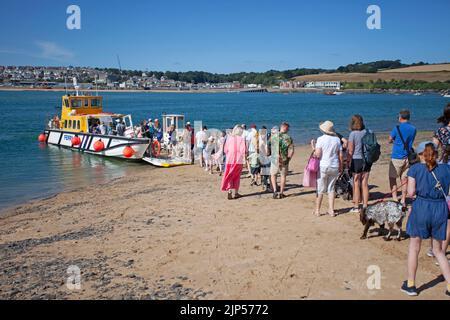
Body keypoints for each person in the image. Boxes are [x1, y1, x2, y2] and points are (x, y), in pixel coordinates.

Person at [401, 142, 450, 297]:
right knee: (438, 250)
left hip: (422, 207)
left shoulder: (414, 169)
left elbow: (410, 193)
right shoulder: (447, 168)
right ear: (435, 154)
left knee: (414, 247)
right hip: (440, 208)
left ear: (421, 154)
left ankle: (411, 285)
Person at [428, 103, 450, 261]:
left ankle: (435, 248)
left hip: (443, 169)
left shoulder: (441, 131)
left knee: (441, 208)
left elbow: (432, 150)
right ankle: (441, 251)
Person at [312, 121, 343, 217]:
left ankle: (317, 210)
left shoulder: (320, 139)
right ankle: (331, 210)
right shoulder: (337, 140)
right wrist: (341, 166)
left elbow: (317, 154)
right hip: (334, 165)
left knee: (320, 189)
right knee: (331, 188)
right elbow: (340, 155)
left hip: (323, 165)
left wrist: (313, 146)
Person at [389, 109, 417, 206]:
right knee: (404, 179)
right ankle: (403, 199)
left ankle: (395, 198)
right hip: (408, 157)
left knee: (392, 178)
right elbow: (411, 140)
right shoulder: (413, 129)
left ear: (401, 117)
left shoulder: (397, 128)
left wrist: (395, 142)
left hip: (397, 156)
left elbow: (390, 139)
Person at [348, 115, 371, 213]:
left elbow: (350, 150)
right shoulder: (369, 131)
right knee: (365, 183)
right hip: (367, 160)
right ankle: (365, 205)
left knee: (356, 183)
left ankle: (356, 206)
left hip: (356, 159)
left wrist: (348, 162)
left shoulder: (353, 134)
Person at [221, 125, 246, 200]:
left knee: (230, 176)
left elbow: (225, 150)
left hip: (229, 160)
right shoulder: (241, 139)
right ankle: (236, 193)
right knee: (237, 176)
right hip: (238, 161)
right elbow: (243, 151)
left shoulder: (229, 138)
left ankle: (229, 191)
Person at [270, 122, 294, 199]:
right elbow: (291, 150)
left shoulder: (274, 136)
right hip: (284, 159)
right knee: (283, 176)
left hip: (274, 159)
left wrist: (270, 154)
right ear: (286, 129)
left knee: (273, 175)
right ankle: (281, 192)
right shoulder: (288, 138)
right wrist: (289, 158)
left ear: (281, 127)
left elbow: (268, 146)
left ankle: (274, 191)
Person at [259, 126, 271, 191]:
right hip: (265, 156)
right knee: (266, 171)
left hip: (261, 156)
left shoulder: (259, 138)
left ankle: (263, 184)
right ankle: (266, 185)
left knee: (263, 171)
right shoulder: (267, 137)